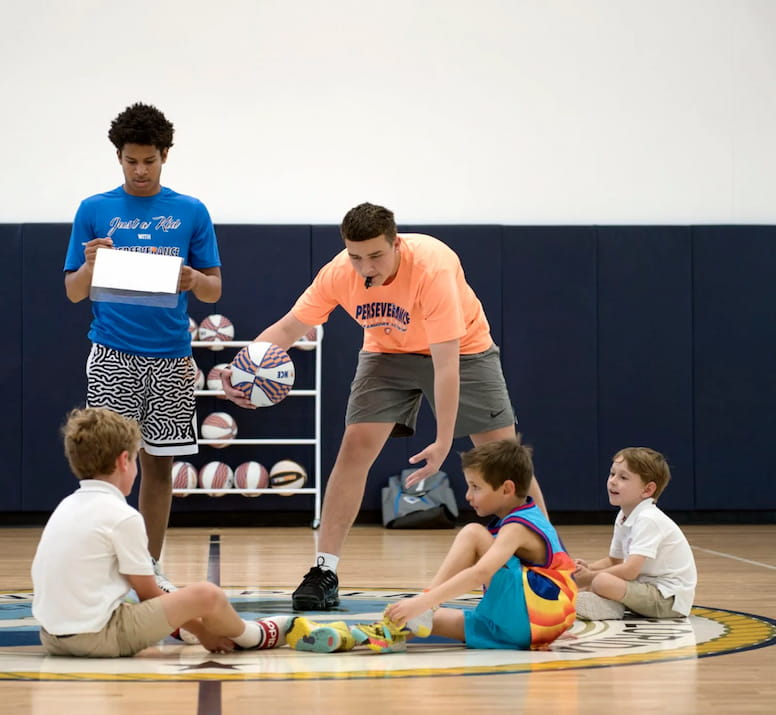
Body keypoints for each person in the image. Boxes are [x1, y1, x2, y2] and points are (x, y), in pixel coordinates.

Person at [220, 202, 545, 610]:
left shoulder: (432, 268)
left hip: (463, 352)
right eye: (356, 256)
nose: (365, 266)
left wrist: (444, 441)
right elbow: (289, 327)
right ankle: (324, 570)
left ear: (396, 243)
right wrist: (243, 365)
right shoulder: (339, 273)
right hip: (387, 352)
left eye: (375, 255)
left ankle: (551, 566)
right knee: (354, 447)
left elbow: (445, 367)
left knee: (506, 459)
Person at [64, 102, 222, 592]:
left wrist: (194, 278)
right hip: (112, 352)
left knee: (159, 466)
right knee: (106, 468)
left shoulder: (191, 211)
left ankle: (149, 567)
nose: (139, 170)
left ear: (165, 155)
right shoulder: (93, 209)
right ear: (118, 157)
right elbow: (73, 291)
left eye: (148, 160)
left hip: (172, 355)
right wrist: (91, 264)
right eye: (131, 161)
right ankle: (106, 568)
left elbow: (214, 289)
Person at [31, 407, 291, 657]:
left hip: (52, 638)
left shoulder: (65, 506)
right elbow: (148, 593)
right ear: (124, 461)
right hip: (99, 638)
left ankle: (190, 625)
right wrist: (202, 633)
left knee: (127, 602)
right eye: (134, 459)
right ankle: (251, 635)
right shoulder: (124, 517)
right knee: (206, 594)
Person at [286, 440, 575, 653]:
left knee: (472, 534)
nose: (468, 495)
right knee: (423, 622)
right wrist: (418, 610)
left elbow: (480, 573)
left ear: (507, 489)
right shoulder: (519, 519)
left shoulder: (518, 526)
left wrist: (424, 600)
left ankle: (424, 604)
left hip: (529, 612)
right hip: (527, 628)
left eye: (476, 487)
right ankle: (355, 639)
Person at [571, 447, 697, 620]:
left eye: (623, 477)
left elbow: (630, 570)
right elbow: (614, 561)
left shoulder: (648, 519)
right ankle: (597, 603)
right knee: (595, 580)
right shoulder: (624, 515)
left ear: (647, 490)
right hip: (644, 587)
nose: (613, 481)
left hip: (668, 600)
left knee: (601, 581)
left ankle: (610, 609)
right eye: (612, 474)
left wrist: (589, 578)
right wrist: (588, 568)